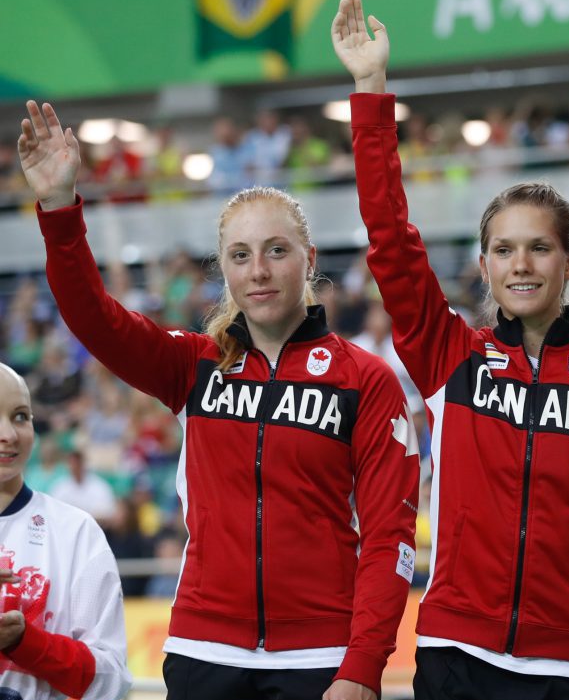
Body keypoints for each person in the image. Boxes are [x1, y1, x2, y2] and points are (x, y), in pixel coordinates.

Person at [19, 100, 419, 700]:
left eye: (276, 251)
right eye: (240, 255)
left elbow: (392, 537)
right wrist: (57, 208)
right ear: (224, 271)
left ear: (308, 260)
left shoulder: (366, 379)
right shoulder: (195, 365)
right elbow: (92, 318)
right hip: (201, 652)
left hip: (322, 658)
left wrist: (361, 667)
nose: (258, 270)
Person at [333, 0, 569, 700]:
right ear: (483, 266)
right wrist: (369, 91)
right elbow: (390, 240)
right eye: (504, 249)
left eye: (540, 248)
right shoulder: (451, 358)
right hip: (456, 654)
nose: (521, 264)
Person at [0, 361, 133, 700]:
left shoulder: (76, 532)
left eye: (20, 416)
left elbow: (111, 681)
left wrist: (24, 642)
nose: (9, 434)